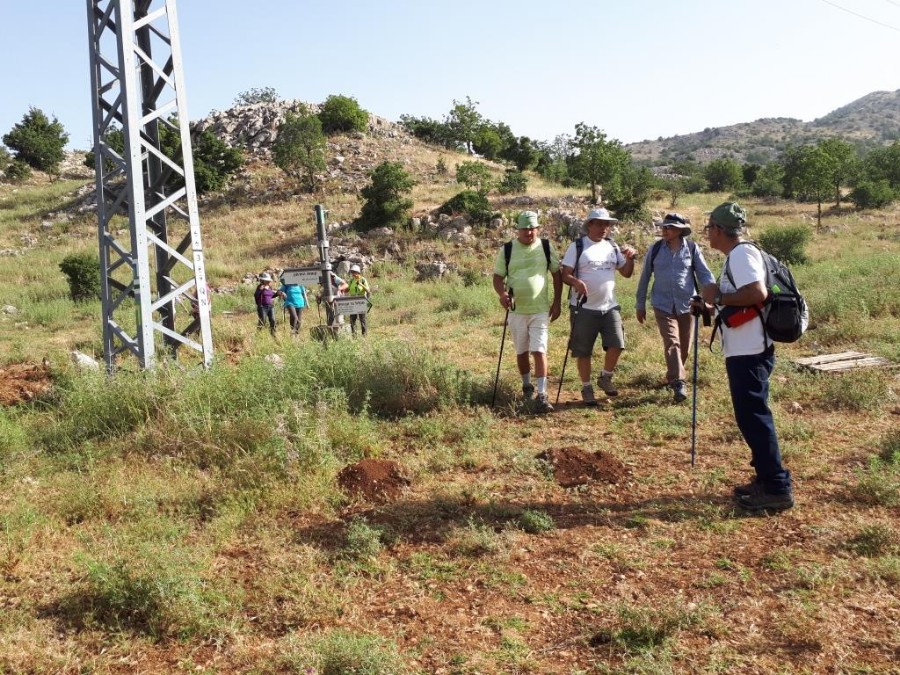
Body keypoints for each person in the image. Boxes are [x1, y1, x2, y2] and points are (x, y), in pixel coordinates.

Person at [699, 201, 793, 512]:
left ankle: (777, 487)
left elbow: (756, 293)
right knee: (751, 416)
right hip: (747, 347)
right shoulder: (739, 255)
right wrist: (712, 303)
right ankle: (766, 480)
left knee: (754, 417)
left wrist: (720, 296)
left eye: (709, 228)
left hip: (749, 350)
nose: (707, 234)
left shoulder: (741, 255)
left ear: (719, 230)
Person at [635, 213, 715, 403]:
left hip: (688, 304)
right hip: (661, 304)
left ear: (680, 231)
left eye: (669, 227)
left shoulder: (692, 249)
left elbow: (705, 274)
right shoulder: (655, 249)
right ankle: (679, 382)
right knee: (673, 342)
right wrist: (640, 304)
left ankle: (672, 376)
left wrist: (710, 296)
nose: (664, 230)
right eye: (664, 227)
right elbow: (645, 277)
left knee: (685, 347)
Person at [560, 207, 636, 406]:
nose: (604, 228)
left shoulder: (612, 246)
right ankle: (586, 388)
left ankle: (605, 377)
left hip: (610, 306)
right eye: (600, 223)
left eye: (607, 224)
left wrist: (631, 258)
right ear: (590, 225)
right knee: (583, 351)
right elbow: (565, 273)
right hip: (583, 307)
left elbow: (626, 273)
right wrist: (575, 282)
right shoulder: (577, 246)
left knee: (617, 343)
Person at [493, 211, 563, 413]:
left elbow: (557, 275)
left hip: (540, 310)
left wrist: (556, 302)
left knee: (539, 350)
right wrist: (502, 293)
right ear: (518, 230)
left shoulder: (546, 247)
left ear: (537, 229)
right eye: (524, 228)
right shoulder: (507, 249)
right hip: (516, 311)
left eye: (532, 228)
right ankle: (527, 386)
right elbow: (498, 277)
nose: (528, 232)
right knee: (521, 351)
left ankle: (542, 395)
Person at [346, 264, 371, 337]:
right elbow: (348, 289)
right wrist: (343, 288)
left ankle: (364, 336)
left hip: (361, 302)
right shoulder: (351, 281)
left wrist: (361, 284)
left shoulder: (363, 280)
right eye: (352, 272)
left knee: (362, 319)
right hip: (353, 302)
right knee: (352, 320)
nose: (353, 274)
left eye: (354, 272)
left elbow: (368, 290)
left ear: (358, 272)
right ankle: (354, 336)